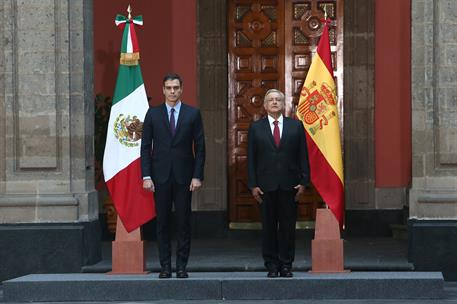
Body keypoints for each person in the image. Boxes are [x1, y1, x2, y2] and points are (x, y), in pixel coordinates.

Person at [141, 73, 205, 279]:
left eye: (176, 88)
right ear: (163, 90)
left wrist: (197, 176)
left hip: (184, 177)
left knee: (183, 223)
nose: (172, 92)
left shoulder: (193, 114)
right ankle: (165, 266)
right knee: (162, 223)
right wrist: (146, 176)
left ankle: (181, 267)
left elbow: (200, 147)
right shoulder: (152, 114)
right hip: (159, 177)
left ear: (181, 89)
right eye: (168, 88)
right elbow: (145, 148)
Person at [247, 89, 310, 278]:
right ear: (265, 105)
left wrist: (304, 182)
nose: (274, 102)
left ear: (284, 105)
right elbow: (251, 159)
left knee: (288, 228)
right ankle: (271, 265)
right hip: (265, 186)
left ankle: (286, 264)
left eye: (278, 100)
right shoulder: (256, 128)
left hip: (290, 186)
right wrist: (253, 185)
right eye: (271, 100)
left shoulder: (295, 126)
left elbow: (303, 156)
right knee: (268, 228)